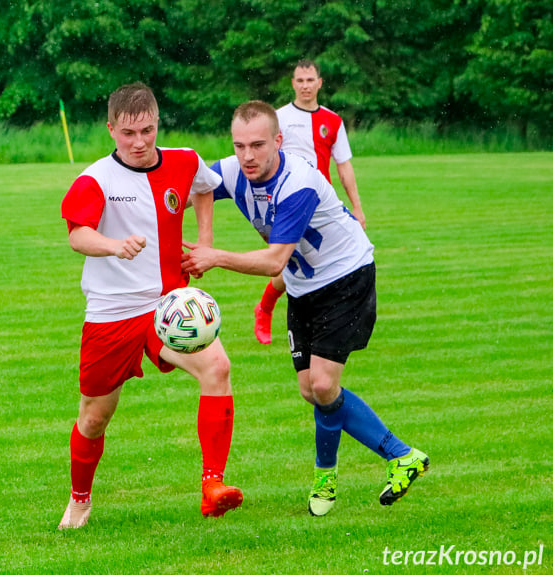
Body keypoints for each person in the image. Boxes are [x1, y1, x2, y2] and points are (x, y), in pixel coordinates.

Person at [185, 101, 428, 516]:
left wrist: (212, 255)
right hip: (303, 287)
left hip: (346, 278)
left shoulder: (297, 183)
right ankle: (394, 459)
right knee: (310, 389)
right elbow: (190, 186)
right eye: (239, 146)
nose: (247, 156)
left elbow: (273, 261)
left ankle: (358, 469)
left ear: (278, 141)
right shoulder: (233, 169)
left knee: (321, 386)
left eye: (258, 145)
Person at [58, 82, 243, 529]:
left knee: (217, 368)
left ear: (158, 122)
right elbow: (76, 234)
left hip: (168, 305)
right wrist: (114, 245)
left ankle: (213, 485)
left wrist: (205, 242)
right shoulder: (96, 178)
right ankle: (80, 499)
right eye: (128, 133)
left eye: (148, 130)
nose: (140, 142)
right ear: (111, 130)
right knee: (95, 416)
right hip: (111, 311)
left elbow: (205, 188)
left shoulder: (183, 160)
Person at [254, 59, 365, 345]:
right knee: (290, 261)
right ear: (293, 83)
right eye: (300, 80)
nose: (305, 85)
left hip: (323, 206)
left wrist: (357, 206)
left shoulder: (333, 121)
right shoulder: (278, 118)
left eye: (310, 80)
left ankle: (280, 310)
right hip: (288, 203)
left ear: (320, 83)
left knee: (315, 264)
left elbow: (344, 166)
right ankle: (266, 309)